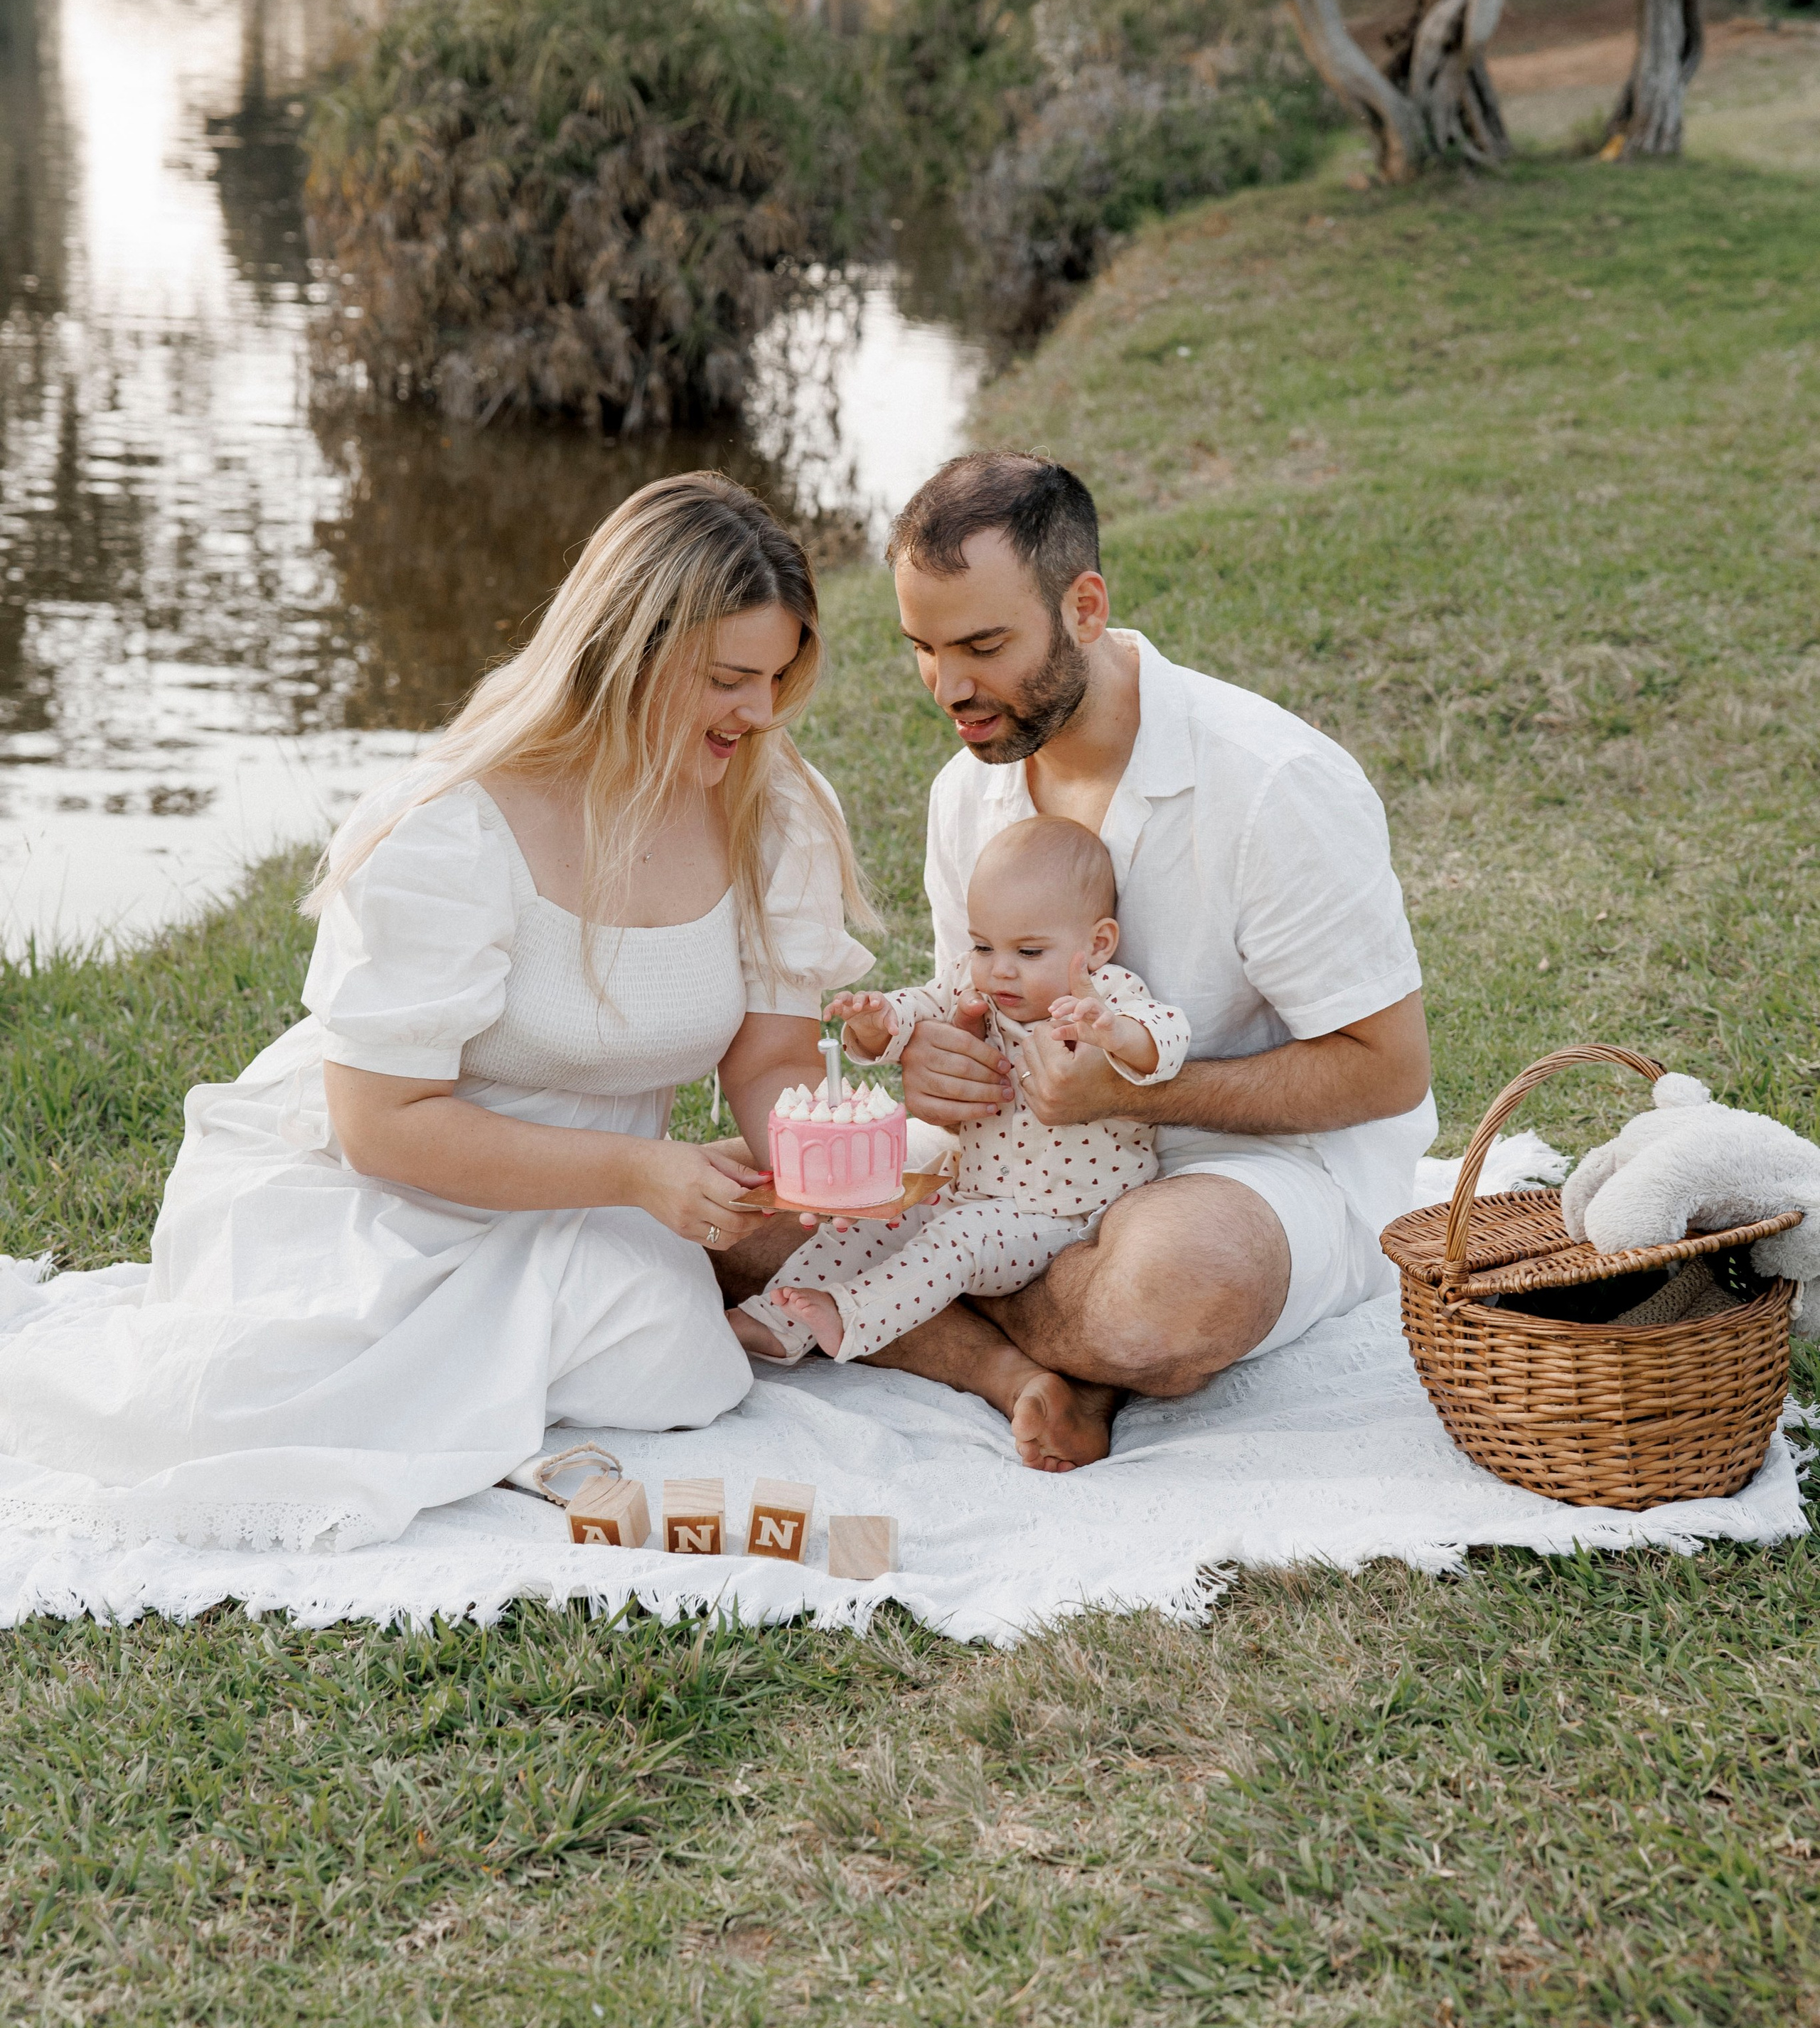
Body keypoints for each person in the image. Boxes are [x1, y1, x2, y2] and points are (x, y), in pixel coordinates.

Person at [0, 475, 873, 1552]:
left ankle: (483, 1406)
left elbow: (771, 1054)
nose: (761, 713)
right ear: (627, 650)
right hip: (384, 1191)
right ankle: (459, 1408)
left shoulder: (770, 810)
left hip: (597, 1204)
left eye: (779, 679)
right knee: (222, 1409)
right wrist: (638, 1177)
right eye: (732, 679)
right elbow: (381, 1126)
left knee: (678, 1362)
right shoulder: (453, 824)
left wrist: (819, 1159)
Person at [716, 452, 1434, 1471]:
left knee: (1170, 1294)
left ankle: (1010, 1331)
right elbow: (975, 1001)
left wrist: (1136, 1093)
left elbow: (1386, 1068)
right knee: (732, 1218)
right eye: (922, 647)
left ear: (1085, 607)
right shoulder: (969, 792)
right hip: (1017, 1173)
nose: (949, 689)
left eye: (983, 645)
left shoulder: (1276, 786)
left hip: (1245, 1174)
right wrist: (936, 1059)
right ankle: (1036, 1373)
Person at [732, 814, 1190, 1364]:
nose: (1000, 971)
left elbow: (1168, 1035)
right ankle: (772, 1323)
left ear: (1096, 944)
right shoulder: (977, 984)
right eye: (983, 946)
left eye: (1028, 953)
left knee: (955, 1244)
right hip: (970, 1190)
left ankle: (852, 1317)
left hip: (1062, 1214)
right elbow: (922, 1005)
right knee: (879, 1221)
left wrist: (1115, 1033)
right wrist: (879, 1019)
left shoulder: (1108, 995)